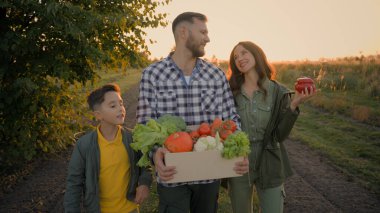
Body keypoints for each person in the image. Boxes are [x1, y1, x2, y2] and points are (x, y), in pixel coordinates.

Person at [136, 12, 249, 213]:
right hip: (172, 174)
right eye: (203, 31)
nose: (208, 38)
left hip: (209, 172)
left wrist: (238, 149)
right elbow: (144, 123)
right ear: (183, 32)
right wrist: (156, 154)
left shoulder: (215, 75)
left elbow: (231, 118)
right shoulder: (152, 75)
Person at [227, 41, 316, 213]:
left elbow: (279, 135)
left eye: (244, 53)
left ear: (256, 54)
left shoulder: (278, 92)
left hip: (270, 159)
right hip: (239, 161)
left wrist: (293, 105)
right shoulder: (231, 92)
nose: (240, 58)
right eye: (236, 57)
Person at [64, 83, 151, 213]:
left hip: (130, 209)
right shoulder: (84, 145)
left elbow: (145, 165)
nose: (120, 108)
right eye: (113, 106)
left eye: (121, 104)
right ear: (98, 115)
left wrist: (144, 183)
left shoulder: (133, 138)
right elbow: (74, 183)